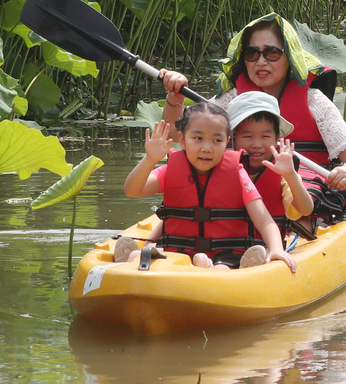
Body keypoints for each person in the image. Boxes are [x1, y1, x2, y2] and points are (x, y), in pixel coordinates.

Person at [158, 15, 346, 216]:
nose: (260, 61)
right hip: (242, 185)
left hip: (303, 191)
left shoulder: (313, 101)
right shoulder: (231, 100)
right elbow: (175, 135)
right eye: (252, 53)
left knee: (297, 206)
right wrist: (175, 99)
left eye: (272, 53)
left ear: (290, 58)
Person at [119, 101, 297, 272]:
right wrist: (149, 160)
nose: (207, 148)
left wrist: (276, 249)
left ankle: (215, 267)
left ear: (227, 142)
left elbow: (265, 221)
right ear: (181, 139)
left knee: (221, 268)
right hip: (177, 252)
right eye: (198, 138)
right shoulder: (169, 170)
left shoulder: (238, 174)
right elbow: (133, 190)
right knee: (153, 257)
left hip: (226, 255)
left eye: (216, 141)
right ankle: (136, 258)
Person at [226, 91, 316, 241]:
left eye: (265, 136)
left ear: (277, 139)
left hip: (268, 245)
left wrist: (291, 176)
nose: (256, 144)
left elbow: (306, 209)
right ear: (231, 139)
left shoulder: (282, 174)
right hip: (226, 247)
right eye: (247, 136)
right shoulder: (217, 166)